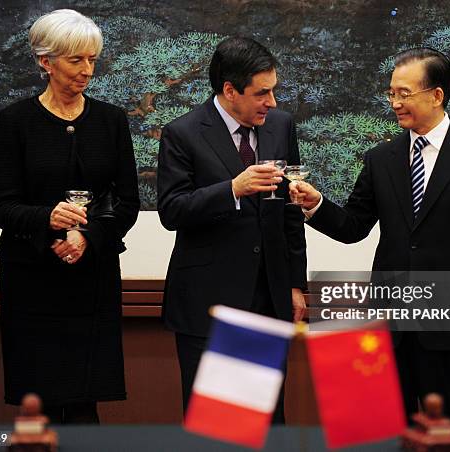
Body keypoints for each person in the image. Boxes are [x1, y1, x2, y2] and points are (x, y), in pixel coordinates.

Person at [290, 48, 450, 426]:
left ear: (437, 95)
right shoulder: (381, 158)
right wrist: (316, 205)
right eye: (391, 93)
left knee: (447, 429)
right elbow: (353, 226)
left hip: (449, 322)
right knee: (387, 429)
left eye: (404, 93)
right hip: (387, 323)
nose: (394, 102)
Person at [0, 9, 140, 424]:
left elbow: (126, 202)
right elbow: (1, 205)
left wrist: (86, 238)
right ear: (45, 61)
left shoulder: (111, 120)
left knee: (85, 403)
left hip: (90, 277)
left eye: (92, 60)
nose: (87, 70)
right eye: (76, 60)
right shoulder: (13, 121)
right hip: (31, 278)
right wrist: (48, 219)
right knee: (39, 401)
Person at [157, 37, 307, 422]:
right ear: (229, 90)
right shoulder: (183, 133)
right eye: (262, 93)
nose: (271, 103)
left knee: (269, 421)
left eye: (274, 91)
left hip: (268, 300)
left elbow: (290, 214)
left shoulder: (280, 126)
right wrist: (232, 190)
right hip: (208, 304)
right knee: (216, 424)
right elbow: (172, 210)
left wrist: (294, 283)